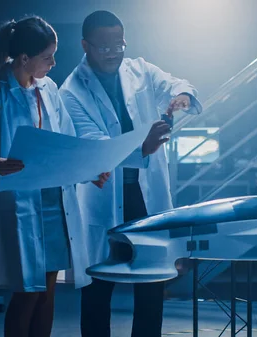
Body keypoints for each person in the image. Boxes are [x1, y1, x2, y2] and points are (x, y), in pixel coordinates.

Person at [58, 10, 203, 337]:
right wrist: (143, 147)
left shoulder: (139, 70)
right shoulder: (71, 92)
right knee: (97, 286)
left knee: (152, 283)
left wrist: (182, 96)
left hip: (145, 195)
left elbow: (175, 83)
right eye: (104, 47)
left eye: (119, 44)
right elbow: (95, 147)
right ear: (85, 45)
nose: (114, 52)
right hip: (104, 198)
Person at [0, 16, 108, 337]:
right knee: (26, 293)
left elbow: (66, 143)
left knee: (47, 292)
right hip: (22, 203)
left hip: (55, 203)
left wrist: (89, 171)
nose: (54, 63)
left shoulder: (49, 88)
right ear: (24, 59)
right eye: (47, 57)